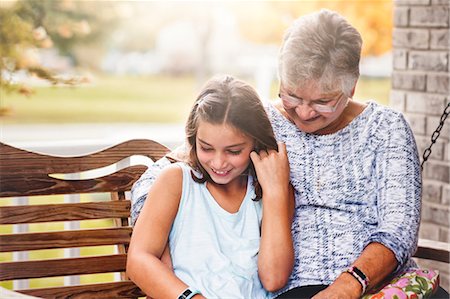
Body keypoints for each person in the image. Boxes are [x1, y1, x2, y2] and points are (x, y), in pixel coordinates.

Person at [131, 9, 448, 299]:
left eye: (323, 101)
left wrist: (348, 286)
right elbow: (169, 172)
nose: (305, 113)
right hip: (300, 287)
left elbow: (398, 229)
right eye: (292, 95)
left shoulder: (386, 128)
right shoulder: (262, 123)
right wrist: (162, 247)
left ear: (351, 87)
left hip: (380, 283)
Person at [127, 75, 295, 299]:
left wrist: (275, 193)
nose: (218, 163)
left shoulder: (270, 191)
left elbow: (274, 278)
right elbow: (139, 259)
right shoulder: (175, 181)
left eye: (233, 151)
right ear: (193, 139)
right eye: (206, 148)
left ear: (257, 142)